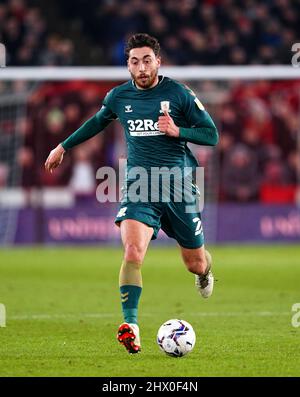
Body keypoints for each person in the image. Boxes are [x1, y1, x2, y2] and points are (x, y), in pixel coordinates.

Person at [45, 33, 219, 354]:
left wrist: (178, 131)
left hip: (179, 187)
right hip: (140, 185)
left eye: (147, 61)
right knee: (132, 253)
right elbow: (98, 122)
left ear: (158, 62)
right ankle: (131, 325)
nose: (141, 68)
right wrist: (63, 146)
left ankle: (207, 271)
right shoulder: (119, 97)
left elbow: (212, 134)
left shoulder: (179, 94)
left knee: (195, 263)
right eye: (135, 61)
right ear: (128, 65)